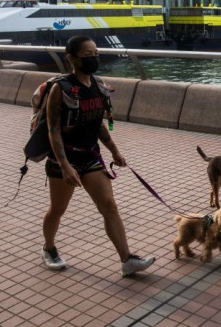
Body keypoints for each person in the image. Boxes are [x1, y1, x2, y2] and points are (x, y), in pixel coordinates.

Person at [41, 35, 155, 277]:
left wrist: (114, 150)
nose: (94, 59)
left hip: (91, 157)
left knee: (109, 206)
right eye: (87, 55)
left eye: (96, 54)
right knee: (58, 209)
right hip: (64, 160)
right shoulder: (59, 89)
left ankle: (127, 260)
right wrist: (64, 166)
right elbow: (53, 130)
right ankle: (49, 248)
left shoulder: (98, 86)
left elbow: (98, 124)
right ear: (71, 58)